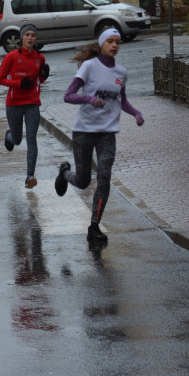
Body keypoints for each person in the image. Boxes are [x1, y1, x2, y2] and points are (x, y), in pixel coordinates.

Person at [54, 27, 144, 243]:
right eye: (110, 41)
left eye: (117, 42)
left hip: (107, 133)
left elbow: (121, 100)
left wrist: (136, 113)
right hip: (84, 131)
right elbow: (68, 95)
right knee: (84, 181)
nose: (114, 45)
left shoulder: (121, 72)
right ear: (102, 44)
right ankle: (65, 174)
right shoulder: (89, 66)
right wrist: (89, 100)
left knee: (104, 177)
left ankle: (94, 226)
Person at [0, 24, 50, 189]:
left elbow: (40, 80)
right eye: (27, 35)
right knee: (18, 140)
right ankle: (9, 136)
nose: (30, 38)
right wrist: (19, 83)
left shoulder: (39, 58)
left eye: (33, 35)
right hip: (14, 103)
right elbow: (0, 79)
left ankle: (30, 176)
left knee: (32, 139)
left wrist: (44, 75)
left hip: (32, 103)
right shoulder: (11, 57)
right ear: (21, 38)